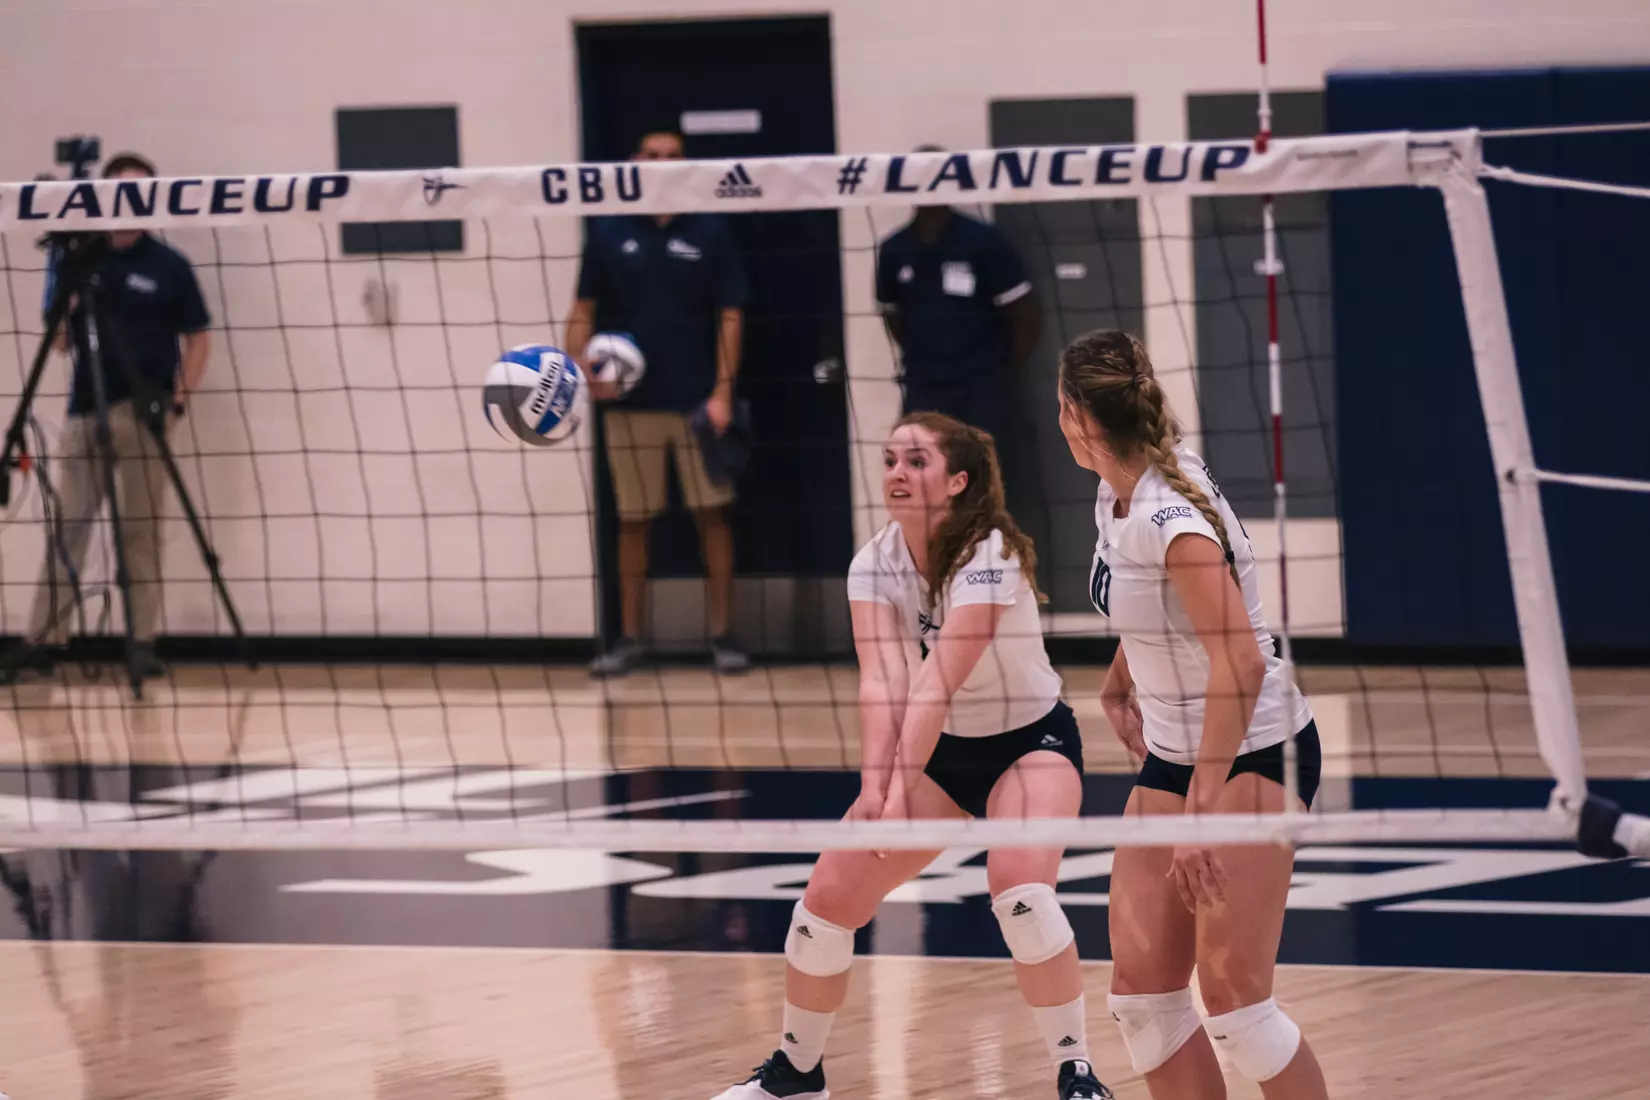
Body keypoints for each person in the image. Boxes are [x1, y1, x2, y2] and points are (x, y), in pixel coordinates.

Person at [710, 412, 1112, 1100]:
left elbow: (935, 683)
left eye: (916, 461)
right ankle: (797, 1074)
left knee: (1021, 894)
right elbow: (883, 680)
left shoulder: (990, 554)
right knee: (825, 903)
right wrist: (876, 790)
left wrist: (897, 790)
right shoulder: (874, 562)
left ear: (957, 481)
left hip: (1028, 744)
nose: (897, 473)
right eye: (891, 460)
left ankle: (1077, 1073)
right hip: (941, 753)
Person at [1055, 329, 1329, 1100]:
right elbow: (1157, 609)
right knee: (1143, 1002)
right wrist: (1120, 678)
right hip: (1178, 749)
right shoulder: (1116, 492)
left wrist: (1200, 813)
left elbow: (1241, 662)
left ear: (1078, 418)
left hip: (1258, 745)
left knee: (1237, 1006)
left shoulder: (1169, 515)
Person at [3, 153, 211, 684]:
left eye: (139, 190)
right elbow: (60, 344)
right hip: (84, 410)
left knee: (141, 531)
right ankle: (42, 641)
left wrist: (179, 400)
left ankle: (141, 643)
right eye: (121, 189)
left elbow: (199, 338)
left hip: (144, 414)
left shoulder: (169, 266)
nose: (130, 200)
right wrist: (63, 289)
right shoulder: (82, 262)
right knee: (69, 527)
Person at [567, 126, 750, 677]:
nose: (663, 163)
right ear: (635, 161)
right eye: (653, 155)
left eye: (673, 156)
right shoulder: (608, 232)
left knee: (713, 517)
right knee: (633, 521)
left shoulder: (711, 231)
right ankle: (629, 638)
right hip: (630, 407)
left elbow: (731, 315)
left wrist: (723, 393)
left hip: (697, 404)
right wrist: (578, 371)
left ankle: (723, 636)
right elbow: (582, 311)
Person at [874, 163, 1042, 438]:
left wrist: (998, 369)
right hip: (922, 384)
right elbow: (892, 314)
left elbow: (1026, 313)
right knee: (917, 456)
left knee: (980, 459)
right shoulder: (894, 249)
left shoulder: (983, 240)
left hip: (979, 385)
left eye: (934, 177)